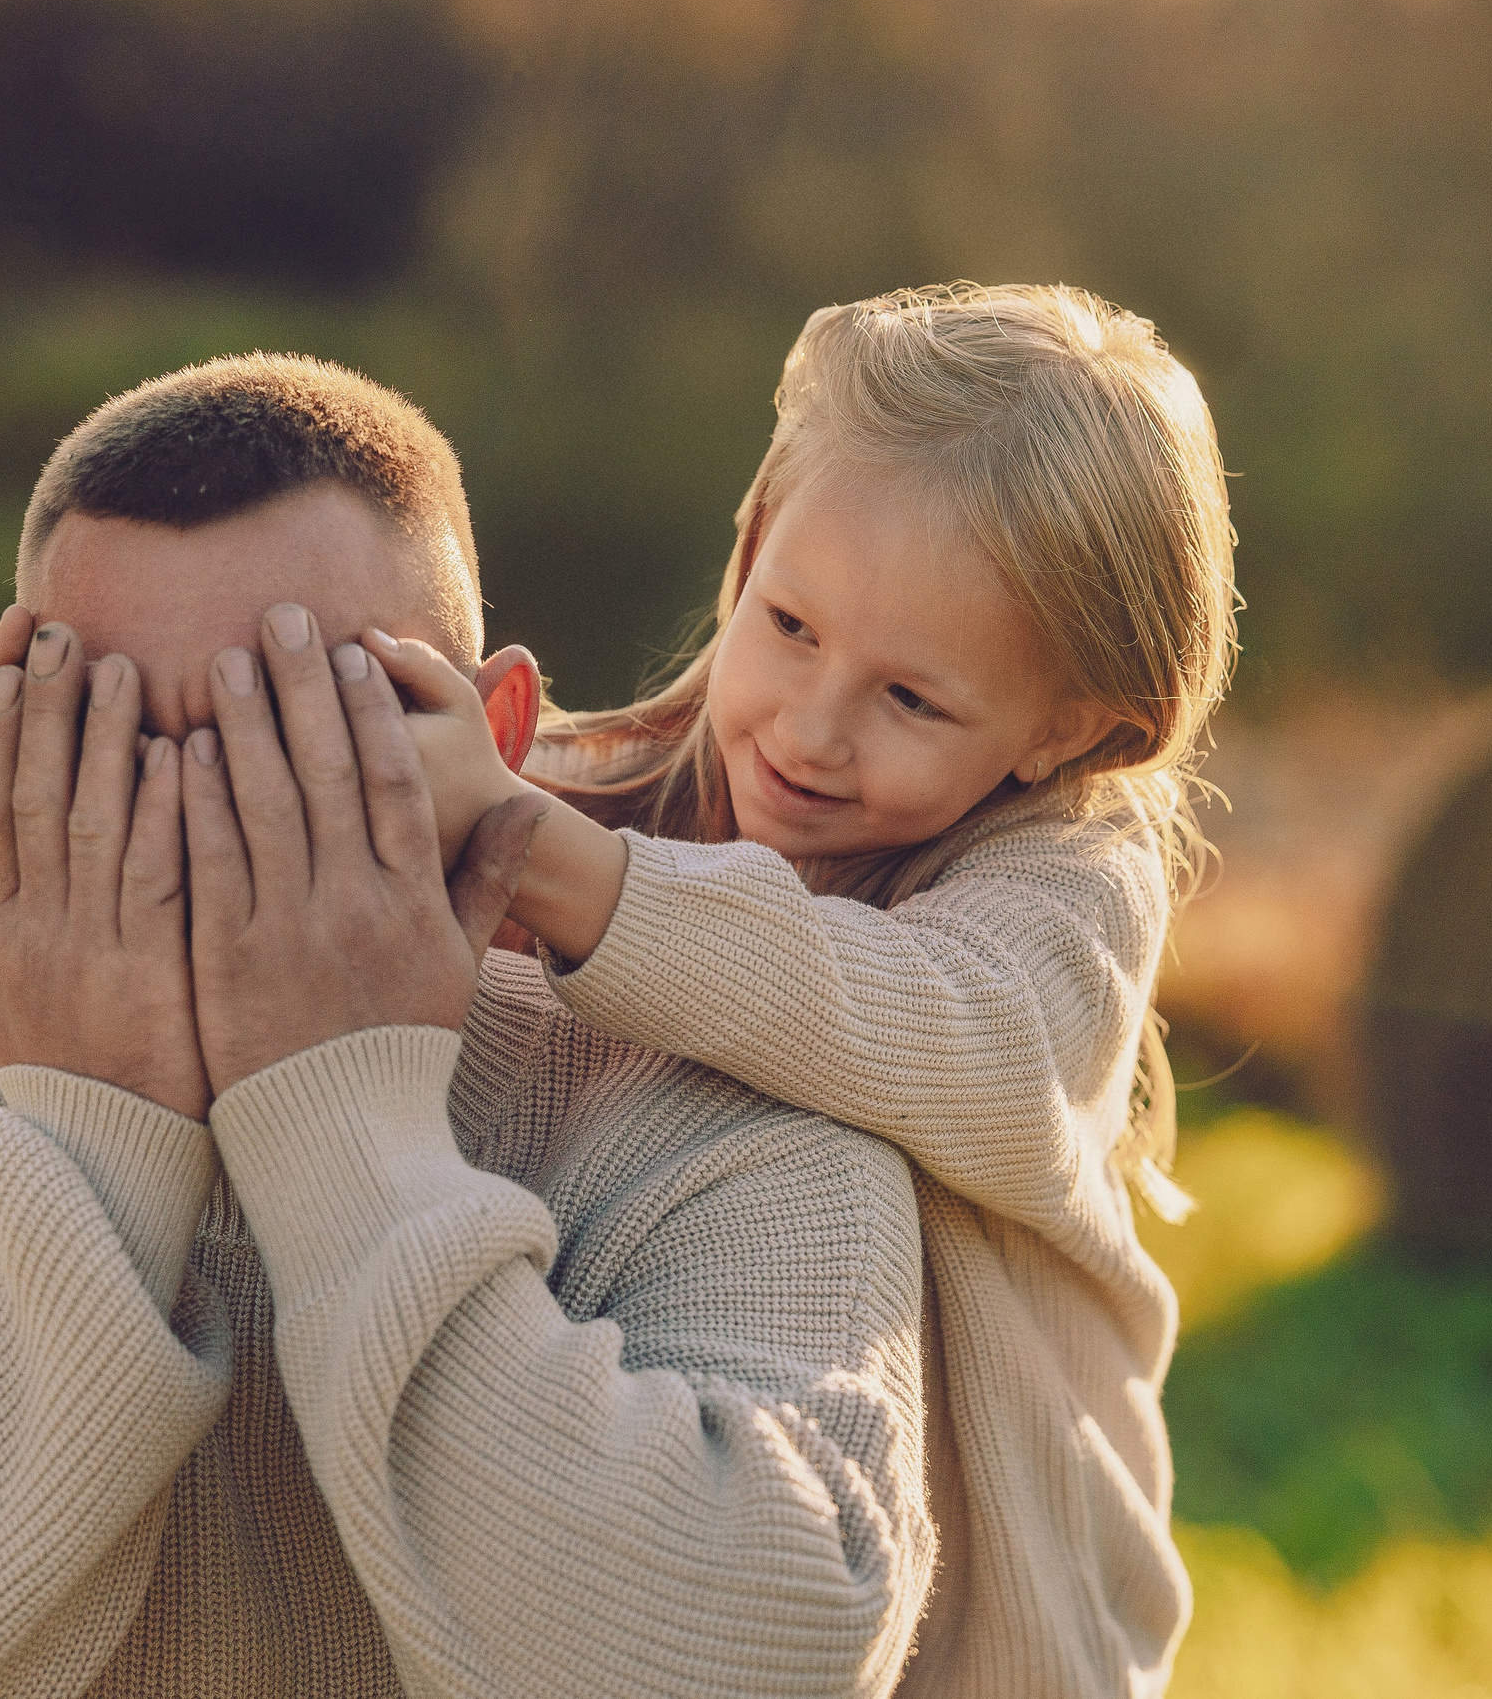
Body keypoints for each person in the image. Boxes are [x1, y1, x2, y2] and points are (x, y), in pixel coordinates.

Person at [0, 353, 942, 1697]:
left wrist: (343, 1123)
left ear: (495, 735)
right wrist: (92, 1153)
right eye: (112, 743)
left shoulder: (737, 1139)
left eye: (302, 732)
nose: (210, 820)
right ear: (6, 766)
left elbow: (760, 1659)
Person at [378, 283, 1234, 1691]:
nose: (813, 729)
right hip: (695, 1568)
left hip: (992, 1658)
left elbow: (953, 1030)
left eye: (914, 700)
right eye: (789, 625)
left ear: (1072, 724)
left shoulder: (1065, 880)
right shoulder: (590, 800)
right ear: (753, 537)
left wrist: (538, 860)